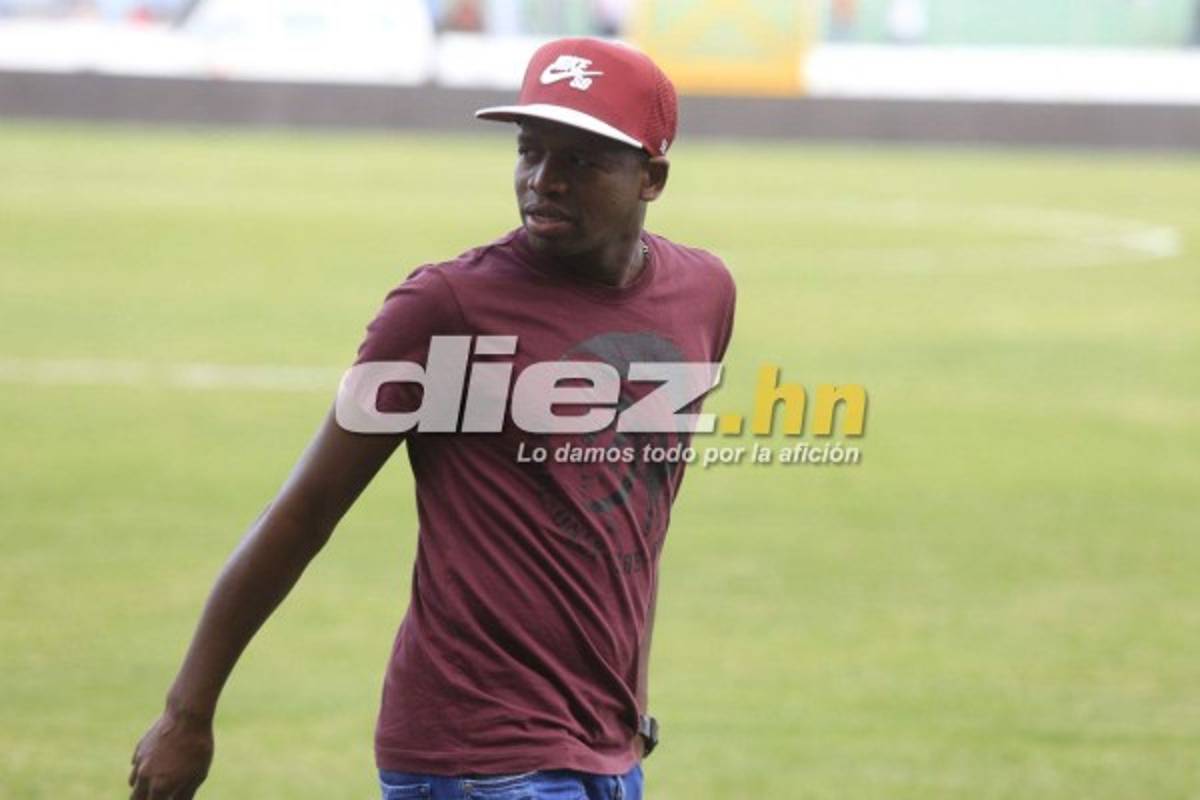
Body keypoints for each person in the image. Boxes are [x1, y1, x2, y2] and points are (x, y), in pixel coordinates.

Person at [128, 37, 736, 800]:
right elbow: (305, 511)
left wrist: (623, 699)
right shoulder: (444, 309)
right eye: (531, 151)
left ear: (652, 177)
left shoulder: (705, 295)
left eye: (582, 161)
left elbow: (633, 519)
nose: (544, 181)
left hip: (608, 749)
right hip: (479, 758)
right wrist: (188, 713)